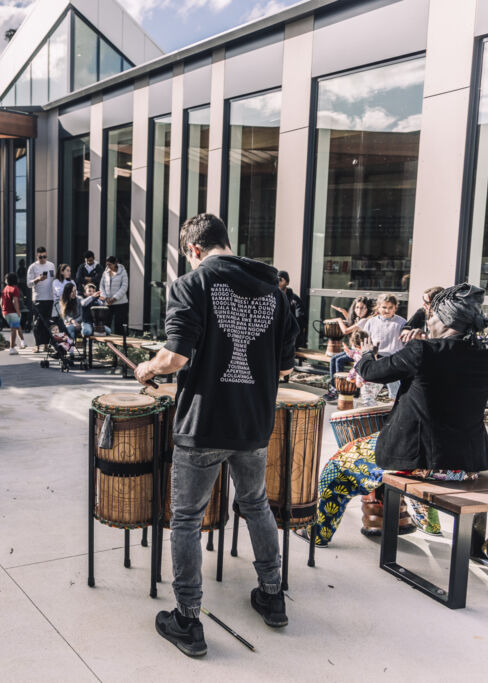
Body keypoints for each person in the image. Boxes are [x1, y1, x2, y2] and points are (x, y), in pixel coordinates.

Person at [134, 213, 298, 658]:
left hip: (204, 424)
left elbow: (176, 358)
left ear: (192, 250)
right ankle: (271, 594)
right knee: (256, 504)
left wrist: (146, 367)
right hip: (253, 424)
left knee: (186, 519)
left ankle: (188, 620)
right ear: (227, 241)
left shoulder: (192, 284)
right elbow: (285, 367)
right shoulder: (273, 291)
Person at [299, 284, 488, 547]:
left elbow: (372, 372)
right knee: (403, 460)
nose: (428, 321)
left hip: (423, 461)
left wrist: (365, 354)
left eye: (432, 315)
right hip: (468, 464)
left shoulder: (424, 351)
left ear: (447, 319)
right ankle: (428, 525)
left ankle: (318, 533)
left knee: (338, 467)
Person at [323, 296, 373, 401]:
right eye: (357, 307)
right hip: (354, 351)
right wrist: (344, 312)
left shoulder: (364, 320)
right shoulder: (359, 319)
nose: (359, 310)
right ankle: (334, 387)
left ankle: (337, 389)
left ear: (367, 309)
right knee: (333, 358)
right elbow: (352, 323)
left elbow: (346, 331)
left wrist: (339, 319)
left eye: (362, 308)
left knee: (339, 360)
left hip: (360, 353)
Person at [358, 293, 407, 399]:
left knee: (395, 395)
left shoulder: (402, 322)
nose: (387, 310)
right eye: (384, 307)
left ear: (395, 308)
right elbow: (366, 340)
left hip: (394, 361)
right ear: (378, 307)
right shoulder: (371, 322)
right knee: (368, 394)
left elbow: (406, 343)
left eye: (390, 308)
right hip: (376, 359)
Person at [26, 247, 56, 349]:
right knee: (38, 323)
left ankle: (46, 345)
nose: (43, 259)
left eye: (44, 256)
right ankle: (37, 345)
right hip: (38, 298)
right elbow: (29, 284)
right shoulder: (33, 267)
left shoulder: (51, 265)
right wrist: (38, 279)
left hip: (50, 298)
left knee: (47, 322)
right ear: (37, 256)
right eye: (40, 257)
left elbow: (54, 280)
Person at [277, 270, 308, 348]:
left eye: (281, 279)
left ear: (287, 282)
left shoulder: (294, 299)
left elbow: (301, 319)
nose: (278, 282)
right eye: (277, 280)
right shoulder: (274, 298)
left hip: (291, 337)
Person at [99, 256, 129, 334]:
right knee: (106, 322)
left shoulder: (123, 272)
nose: (108, 266)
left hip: (120, 303)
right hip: (108, 302)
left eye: (110, 265)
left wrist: (114, 298)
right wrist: (105, 297)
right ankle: (107, 342)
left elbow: (124, 286)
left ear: (115, 263)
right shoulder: (105, 272)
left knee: (119, 324)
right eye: (107, 265)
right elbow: (101, 285)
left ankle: (120, 343)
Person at [1, 273, 24, 354]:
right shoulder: (15, 289)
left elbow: (1, 301)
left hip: (5, 312)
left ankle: (22, 342)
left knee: (16, 326)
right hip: (13, 312)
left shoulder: (5, 288)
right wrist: (18, 312)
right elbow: (15, 301)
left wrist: (2, 310)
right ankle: (12, 348)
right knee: (13, 330)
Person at [51, 264, 75, 329]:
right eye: (67, 270)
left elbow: (75, 293)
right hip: (59, 304)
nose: (69, 272)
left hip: (69, 303)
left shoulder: (72, 281)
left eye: (70, 271)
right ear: (61, 272)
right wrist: (69, 291)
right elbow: (59, 293)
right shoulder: (56, 282)